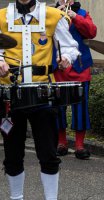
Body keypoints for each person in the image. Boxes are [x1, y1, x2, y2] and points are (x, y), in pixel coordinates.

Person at [0, 0, 80, 199]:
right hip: (10, 94)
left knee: (48, 153)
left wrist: (67, 59)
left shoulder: (54, 16)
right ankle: (16, 197)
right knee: (12, 154)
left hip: (43, 93)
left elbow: (71, 47)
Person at [54, 0, 97, 159]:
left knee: (80, 107)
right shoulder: (50, 13)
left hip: (80, 66)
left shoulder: (83, 13)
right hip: (59, 68)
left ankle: (79, 145)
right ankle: (61, 142)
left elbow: (92, 32)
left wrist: (75, 17)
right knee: (58, 107)